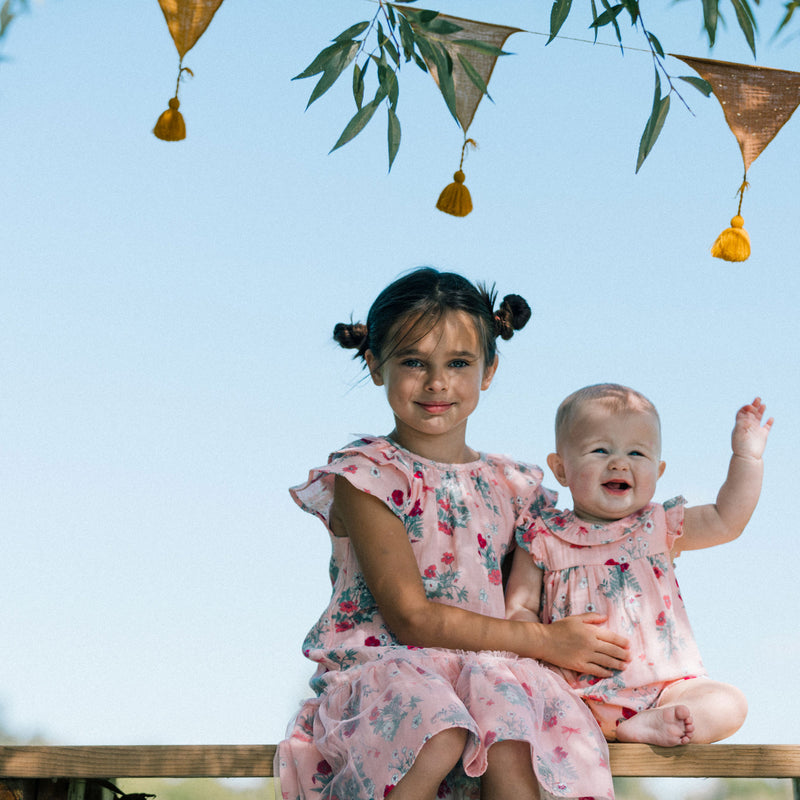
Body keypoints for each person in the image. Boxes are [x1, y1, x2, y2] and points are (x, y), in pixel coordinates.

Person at [275, 269, 630, 800]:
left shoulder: (514, 486)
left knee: (512, 720)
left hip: (489, 672)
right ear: (375, 364)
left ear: (488, 370)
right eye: (414, 362)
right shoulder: (369, 475)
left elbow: (571, 563)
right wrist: (547, 643)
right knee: (437, 727)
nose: (437, 382)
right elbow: (412, 619)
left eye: (459, 363)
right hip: (385, 676)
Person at [506, 383, 772, 747]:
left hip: (665, 689)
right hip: (568, 694)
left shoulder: (658, 526)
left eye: (636, 452)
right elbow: (517, 609)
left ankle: (651, 723)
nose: (619, 462)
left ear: (658, 470)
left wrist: (747, 458)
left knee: (729, 703)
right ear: (561, 469)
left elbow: (727, 519)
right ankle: (600, 727)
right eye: (600, 450)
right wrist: (547, 642)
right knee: (509, 695)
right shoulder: (543, 535)